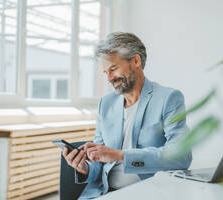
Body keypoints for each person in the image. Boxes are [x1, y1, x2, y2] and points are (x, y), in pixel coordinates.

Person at [63, 32, 192, 199]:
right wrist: (84, 167)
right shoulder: (106, 104)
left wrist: (120, 155)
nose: (109, 78)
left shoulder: (168, 98)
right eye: (105, 72)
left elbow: (181, 156)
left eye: (114, 69)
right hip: (103, 193)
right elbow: (99, 163)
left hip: (147, 193)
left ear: (136, 61)